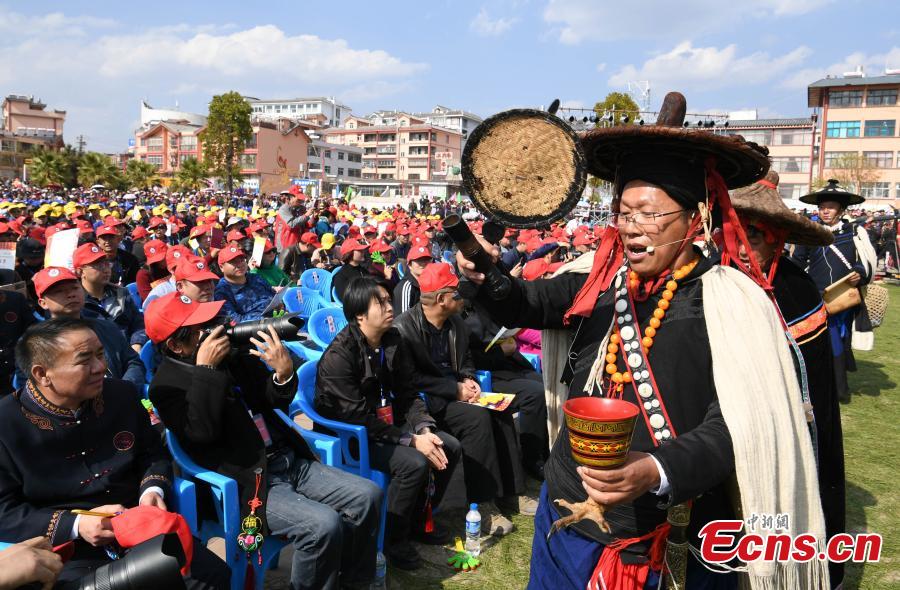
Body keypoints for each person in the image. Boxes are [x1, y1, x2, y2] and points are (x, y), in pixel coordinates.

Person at [457, 92, 828, 589]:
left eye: (650, 215)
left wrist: (657, 468)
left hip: (664, 531)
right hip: (567, 508)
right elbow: (527, 302)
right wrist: (488, 278)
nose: (632, 229)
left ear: (696, 219)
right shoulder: (599, 281)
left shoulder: (731, 304)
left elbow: (739, 425)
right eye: (624, 214)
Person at [146, 292, 381, 590]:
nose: (216, 330)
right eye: (202, 328)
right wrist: (207, 371)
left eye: (213, 321)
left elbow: (269, 400)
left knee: (367, 495)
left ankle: (356, 582)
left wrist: (282, 374)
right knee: (322, 525)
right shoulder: (165, 386)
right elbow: (200, 432)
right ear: (176, 345)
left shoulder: (233, 355)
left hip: (287, 459)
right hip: (248, 481)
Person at [0, 318, 229, 588]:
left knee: (212, 576)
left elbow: (151, 453)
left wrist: (152, 490)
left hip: (140, 530)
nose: (101, 367)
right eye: (85, 360)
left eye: (100, 354)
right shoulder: (7, 424)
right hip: (68, 552)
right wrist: (76, 524)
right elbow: (4, 511)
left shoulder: (120, 394)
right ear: (42, 374)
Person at [730, 171, 846, 588]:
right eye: (733, 234)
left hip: (780, 432)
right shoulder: (714, 280)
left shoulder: (796, 290)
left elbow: (809, 391)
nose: (741, 247)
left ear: (777, 238)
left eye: (754, 236)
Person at [315, 276, 462, 570]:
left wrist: (424, 429)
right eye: (379, 303)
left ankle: (421, 522)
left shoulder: (392, 340)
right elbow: (358, 417)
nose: (388, 307)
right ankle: (394, 540)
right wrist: (411, 440)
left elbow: (408, 394)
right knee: (414, 463)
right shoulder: (339, 357)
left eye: (387, 299)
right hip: (352, 435)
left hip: (384, 422)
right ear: (359, 314)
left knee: (449, 446)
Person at [394, 263, 524, 536]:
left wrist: (467, 380)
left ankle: (510, 491)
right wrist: (454, 390)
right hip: (426, 402)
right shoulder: (404, 329)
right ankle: (483, 504)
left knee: (500, 410)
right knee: (476, 418)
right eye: (455, 294)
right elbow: (411, 380)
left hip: (454, 393)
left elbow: (464, 361)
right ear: (441, 299)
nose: (461, 298)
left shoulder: (456, 324)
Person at [791, 180, 874, 402]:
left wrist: (859, 273)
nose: (825, 211)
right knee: (818, 341)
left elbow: (865, 261)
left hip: (844, 299)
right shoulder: (810, 233)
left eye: (830, 206)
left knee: (839, 341)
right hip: (816, 298)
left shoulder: (854, 232)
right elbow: (798, 262)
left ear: (841, 210)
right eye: (822, 207)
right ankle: (826, 388)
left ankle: (837, 388)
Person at [31, 267, 146, 392]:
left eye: (74, 288)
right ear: (43, 303)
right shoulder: (37, 344)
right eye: (59, 291)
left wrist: (122, 389)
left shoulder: (106, 327)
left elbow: (133, 361)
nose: (70, 294)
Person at [74, 242, 146, 352]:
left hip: (129, 355)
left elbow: (138, 323)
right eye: (97, 265)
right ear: (80, 272)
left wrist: (137, 343)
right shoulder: (75, 303)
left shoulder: (121, 293)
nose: (105, 269)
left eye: (106, 263)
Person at [214, 245, 275, 322]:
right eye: (233, 262)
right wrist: (264, 320)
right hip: (256, 328)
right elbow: (234, 321)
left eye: (241, 260)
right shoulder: (222, 292)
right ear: (221, 267)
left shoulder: (255, 278)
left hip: (278, 317)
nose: (240, 265)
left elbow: (273, 295)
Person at [392, 241, 433, 315]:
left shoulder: (429, 282)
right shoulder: (406, 287)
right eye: (419, 260)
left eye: (426, 260)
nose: (423, 263)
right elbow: (403, 321)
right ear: (410, 265)